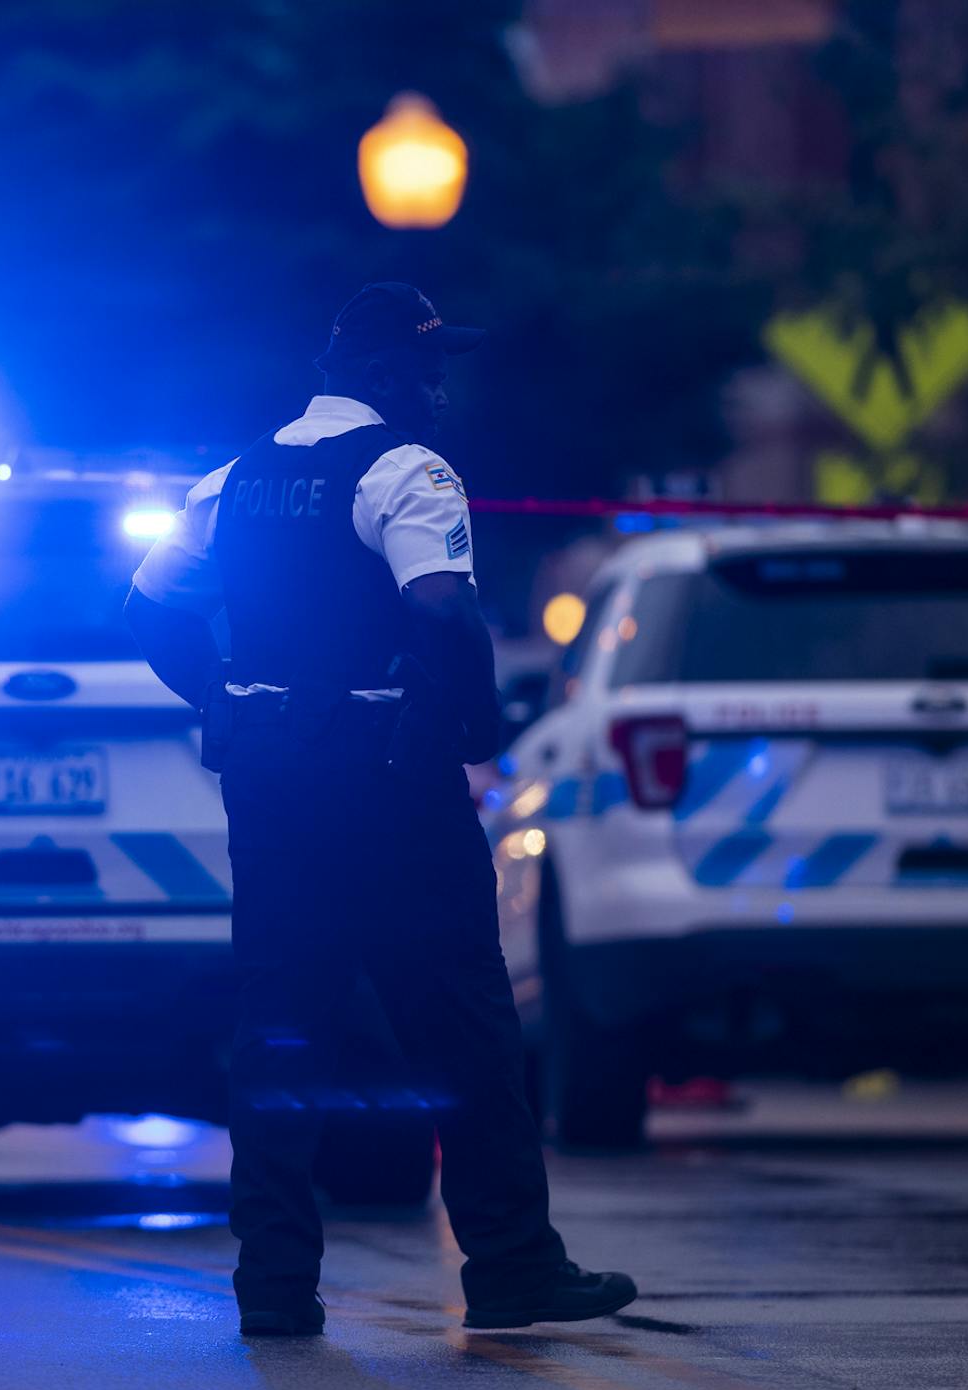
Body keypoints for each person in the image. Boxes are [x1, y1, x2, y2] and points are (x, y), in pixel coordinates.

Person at [125, 282, 635, 1336]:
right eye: (428, 366)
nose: (438, 388)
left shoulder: (230, 479)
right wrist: (475, 733)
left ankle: (272, 1287)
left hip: (272, 788)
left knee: (279, 1031)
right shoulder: (406, 471)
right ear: (384, 373)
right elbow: (441, 609)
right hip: (386, 781)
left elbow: (146, 609)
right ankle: (510, 1266)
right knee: (464, 1026)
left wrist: (218, 697)